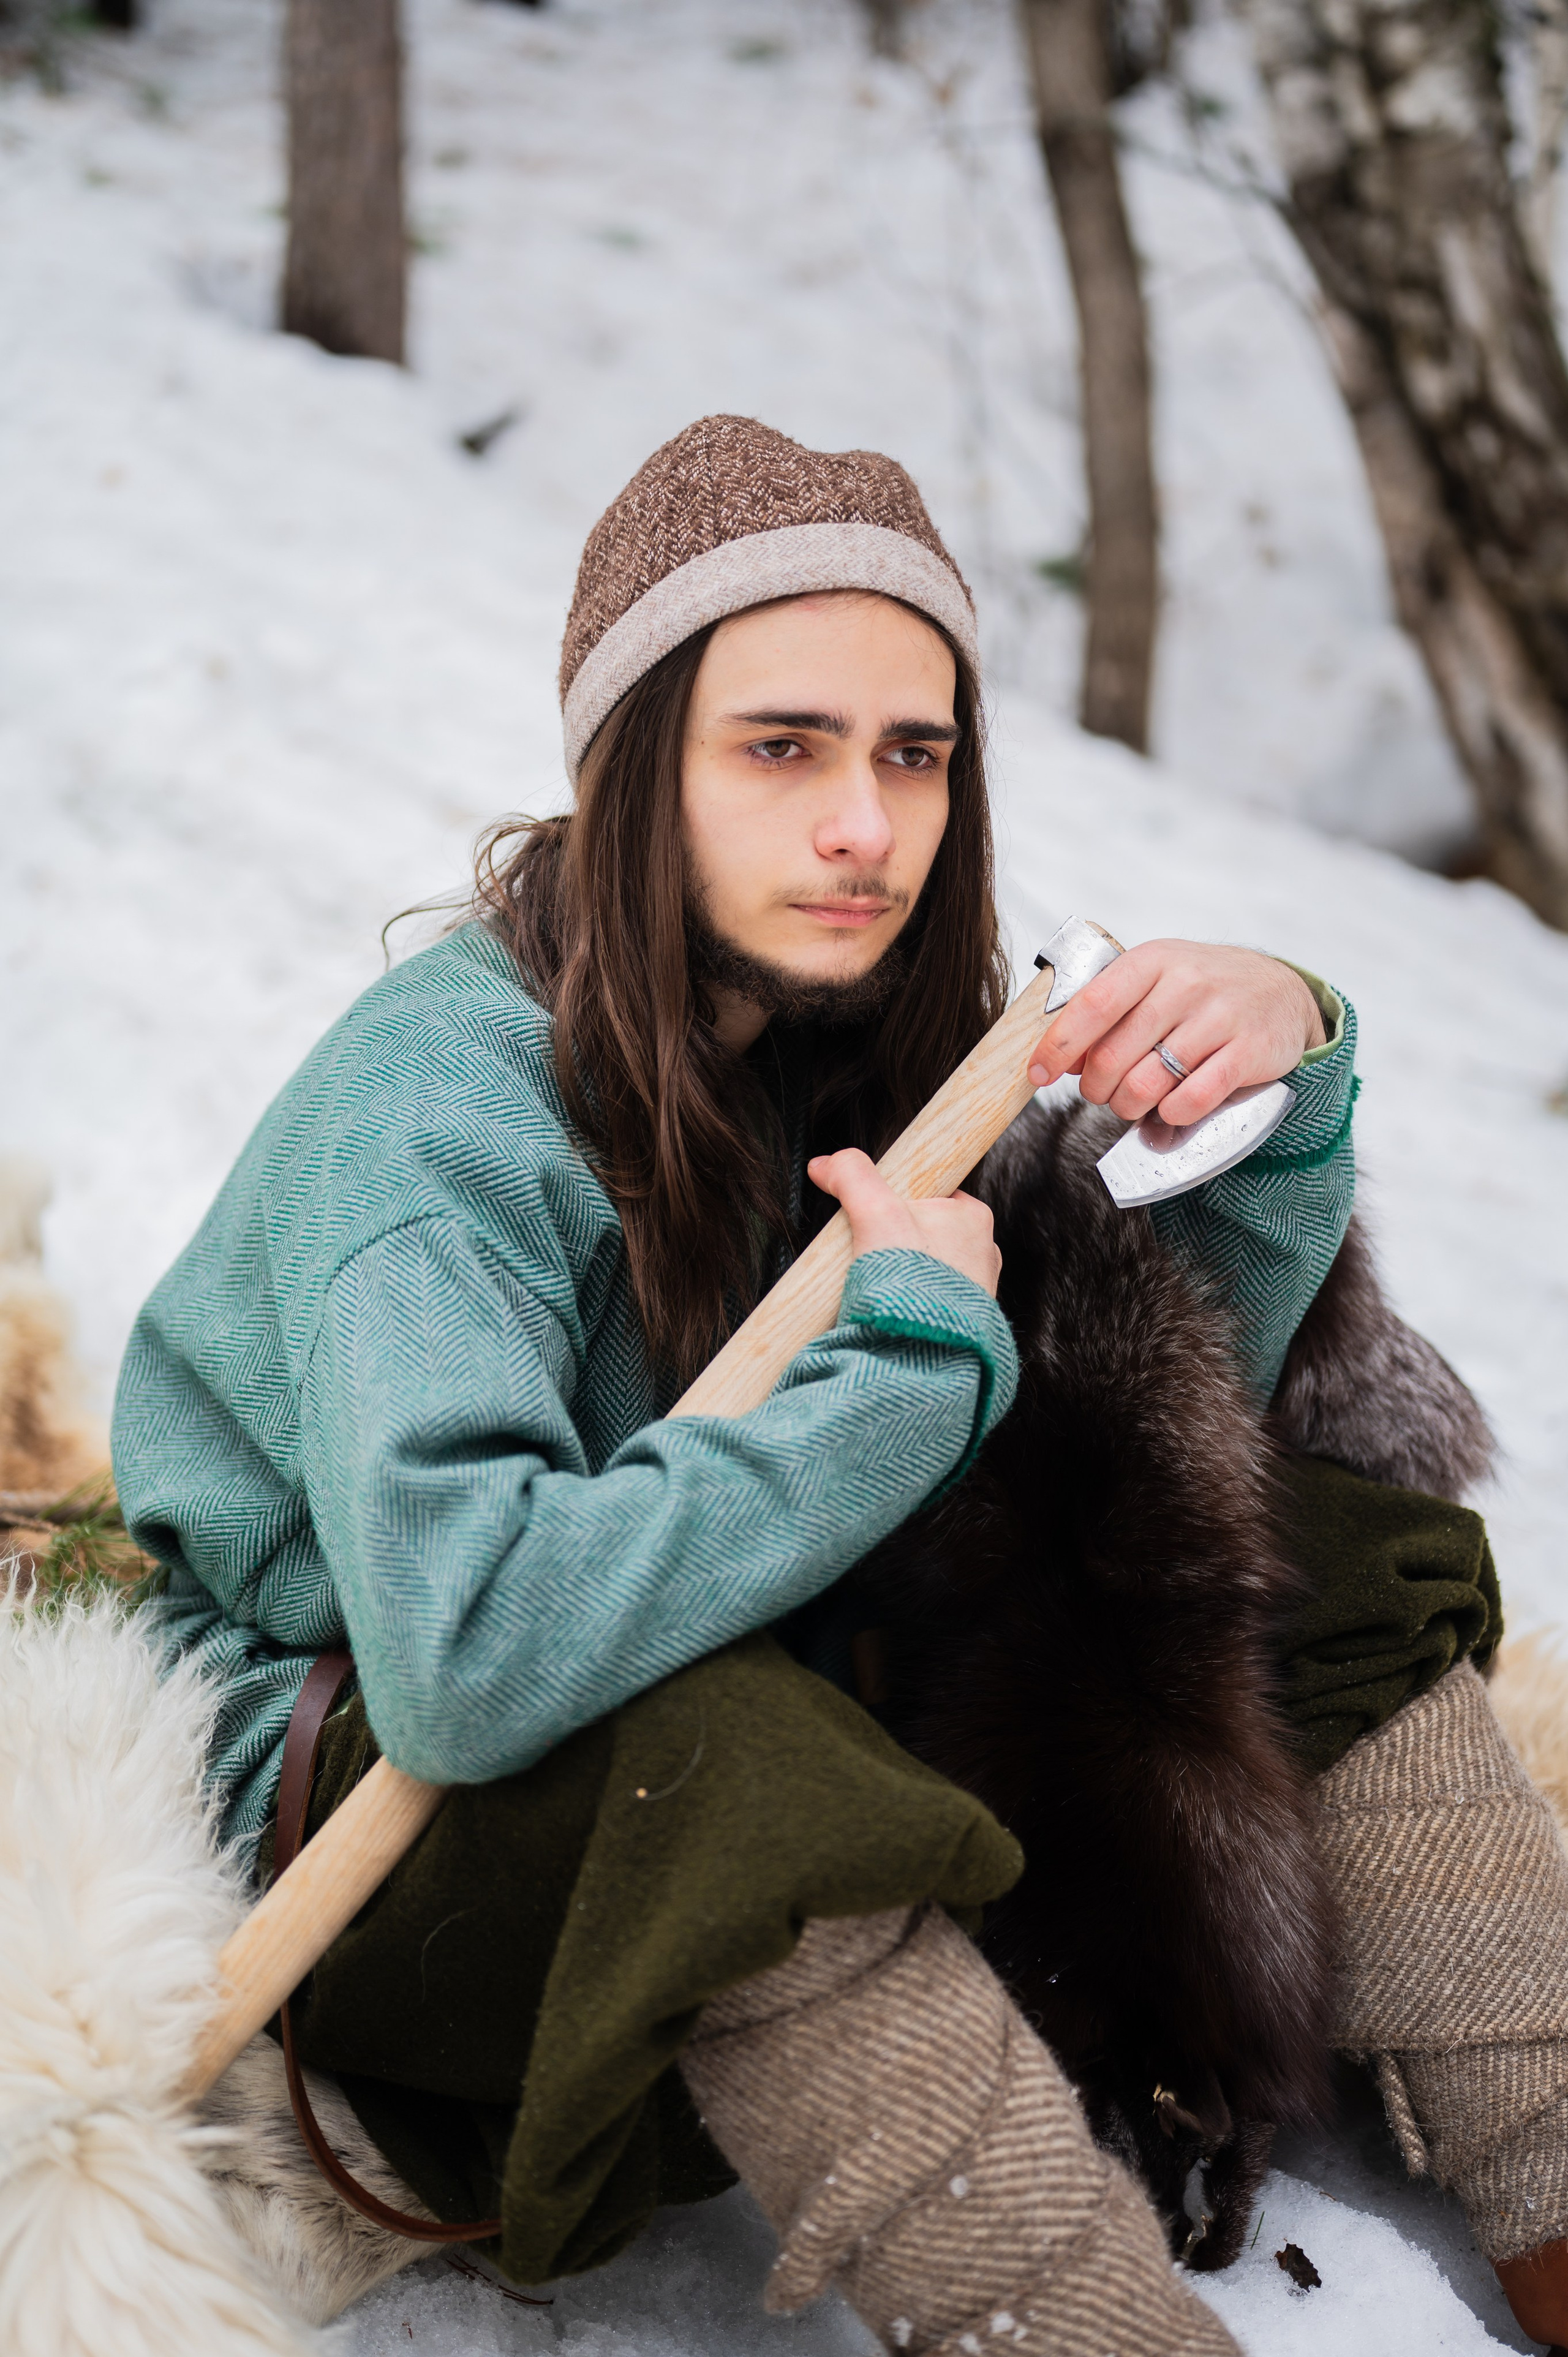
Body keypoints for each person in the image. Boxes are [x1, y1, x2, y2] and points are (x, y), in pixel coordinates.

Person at [108, 419, 1561, 2353]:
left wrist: (1279, 1097)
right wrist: (900, 1376)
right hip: (361, 1768)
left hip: (725, 1621)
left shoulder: (865, 1025)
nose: (866, 827)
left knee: (1336, 1552)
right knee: (735, 1763)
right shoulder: (432, 1112)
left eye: (915, 752)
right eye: (781, 747)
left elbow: (1147, 1435)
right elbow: (466, 1649)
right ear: (638, 769)